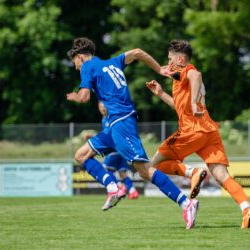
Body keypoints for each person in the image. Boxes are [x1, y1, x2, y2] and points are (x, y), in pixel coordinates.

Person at [66, 37, 198, 229]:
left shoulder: (87, 67)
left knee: (144, 170)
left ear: (79, 57)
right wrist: (159, 69)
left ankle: (187, 203)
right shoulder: (112, 62)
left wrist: (74, 96)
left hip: (121, 121)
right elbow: (137, 52)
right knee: (81, 155)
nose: (77, 68)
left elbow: (85, 97)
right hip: (114, 124)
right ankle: (113, 188)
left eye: (75, 64)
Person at [146, 39, 250, 229]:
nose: (168, 62)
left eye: (170, 58)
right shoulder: (179, 78)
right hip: (209, 131)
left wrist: (193, 103)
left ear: (180, 58)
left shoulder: (186, 70)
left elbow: (196, 75)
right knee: (222, 175)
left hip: (192, 130)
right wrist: (161, 94)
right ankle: (247, 210)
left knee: (152, 165)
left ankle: (193, 172)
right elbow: (180, 108)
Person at [98, 101, 140, 199]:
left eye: (104, 106)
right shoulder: (104, 119)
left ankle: (119, 187)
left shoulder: (111, 118)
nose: (102, 109)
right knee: (123, 173)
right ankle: (133, 191)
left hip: (114, 150)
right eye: (100, 107)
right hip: (121, 151)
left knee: (104, 169)